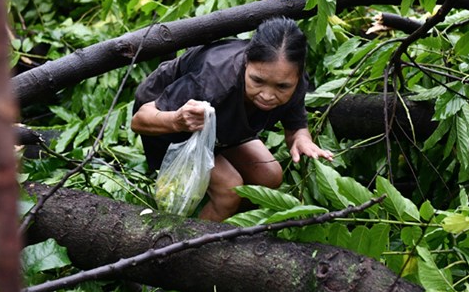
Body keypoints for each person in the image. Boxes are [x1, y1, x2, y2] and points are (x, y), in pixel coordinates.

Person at [131, 17, 333, 222]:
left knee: (270, 177)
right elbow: (140, 120)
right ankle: (188, 244)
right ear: (246, 63)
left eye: (281, 87)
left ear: (296, 77)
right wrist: (177, 120)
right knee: (229, 191)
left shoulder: (293, 81)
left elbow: (296, 127)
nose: (268, 95)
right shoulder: (213, 82)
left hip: (219, 129)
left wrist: (302, 139)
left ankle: (224, 222)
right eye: (258, 81)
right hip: (169, 125)